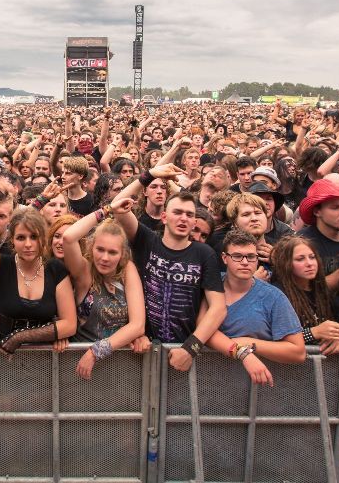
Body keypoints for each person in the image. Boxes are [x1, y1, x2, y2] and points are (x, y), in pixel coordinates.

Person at [111, 165, 226, 372]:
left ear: (193, 223)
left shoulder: (204, 254)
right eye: (177, 212)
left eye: (189, 215)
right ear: (164, 217)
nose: (183, 218)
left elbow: (218, 308)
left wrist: (190, 349)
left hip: (184, 352)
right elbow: (117, 205)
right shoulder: (147, 240)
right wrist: (150, 175)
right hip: (143, 348)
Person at [0, 191, 77, 353]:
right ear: (12, 241)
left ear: (43, 239)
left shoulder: (55, 269)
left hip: (45, 361)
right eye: (21, 238)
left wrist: (21, 336)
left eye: (34, 237)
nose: (28, 244)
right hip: (1, 358)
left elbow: (70, 325)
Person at [202, 229, 306, 386]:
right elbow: (205, 331)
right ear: (224, 258)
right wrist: (243, 353)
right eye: (237, 256)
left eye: (251, 256)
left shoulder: (273, 297)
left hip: (256, 389)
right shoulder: (212, 286)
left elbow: (298, 352)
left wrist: (251, 344)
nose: (245, 262)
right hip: (210, 384)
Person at [61, 201, 146, 379]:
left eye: (112, 252)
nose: (105, 258)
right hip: (79, 365)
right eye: (100, 249)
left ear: (122, 254)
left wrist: (96, 352)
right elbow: (68, 237)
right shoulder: (84, 272)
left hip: (118, 366)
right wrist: (108, 209)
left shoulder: (127, 270)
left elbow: (138, 325)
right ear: (91, 247)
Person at [270, 236, 339, 354]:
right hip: (287, 368)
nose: (309, 263)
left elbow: (334, 329)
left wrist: (336, 339)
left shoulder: (320, 290)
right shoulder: (276, 294)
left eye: (312, 257)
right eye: (300, 259)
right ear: (286, 263)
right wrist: (313, 333)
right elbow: (276, 341)